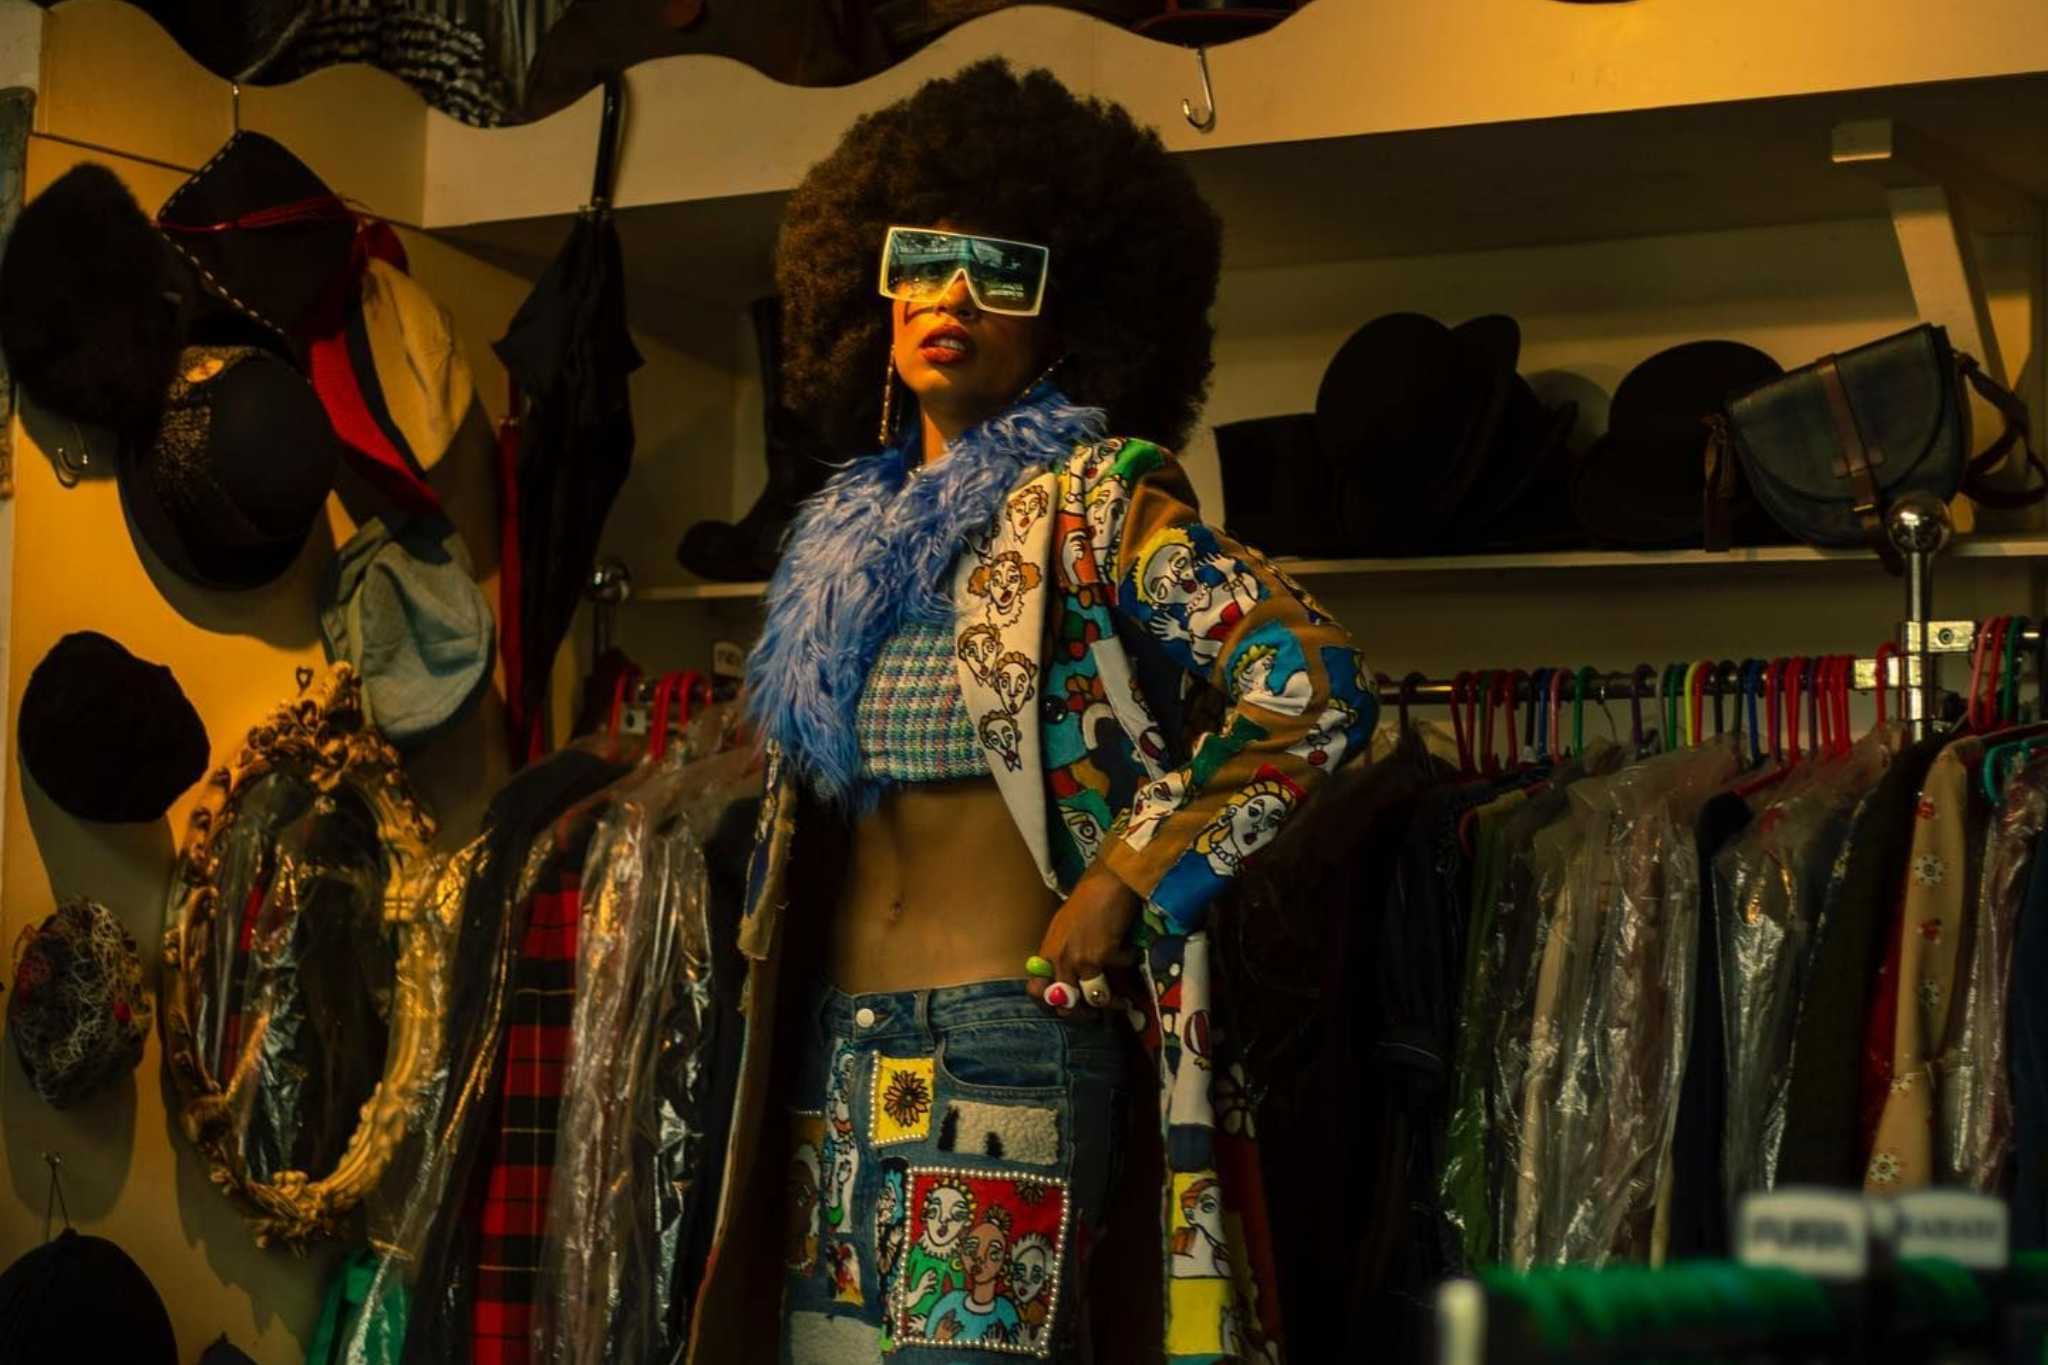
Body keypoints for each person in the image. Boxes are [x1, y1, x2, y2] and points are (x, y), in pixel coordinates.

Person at [687, 58, 1376, 1364]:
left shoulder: (1100, 506)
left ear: (1067, 319)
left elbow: (1316, 688)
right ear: (877, 289)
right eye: (924, 259)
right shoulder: (836, 546)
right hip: (833, 1044)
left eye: (1000, 271)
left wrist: (1128, 878)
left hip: (1005, 1039)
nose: (953, 294)